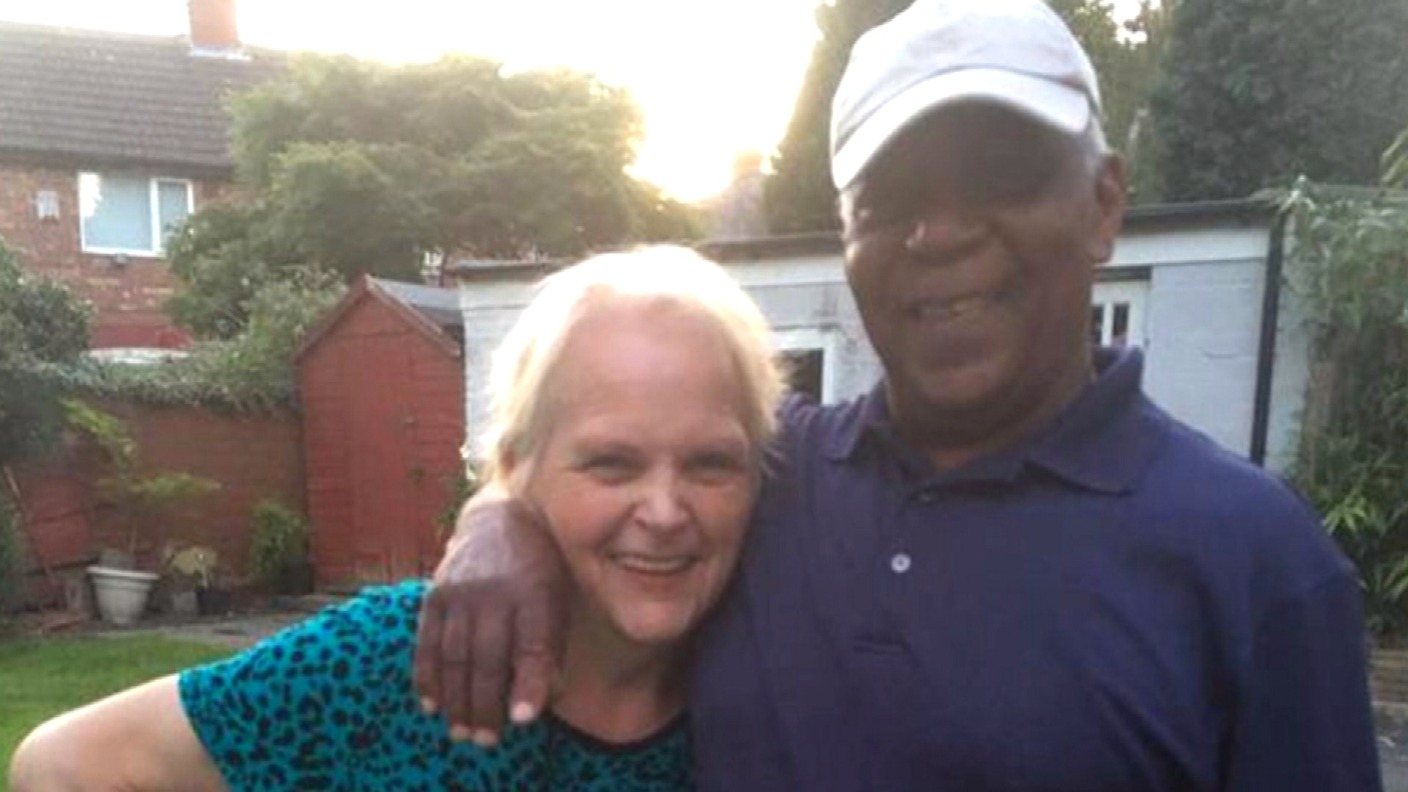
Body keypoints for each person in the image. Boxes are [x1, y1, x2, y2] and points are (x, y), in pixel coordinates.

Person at [412, 0, 1384, 790]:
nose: (939, 233)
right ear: (847, 238)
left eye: (1000, 178)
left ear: (1101, 205)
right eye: (891, 197)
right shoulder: (772, 478)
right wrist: (504, 514)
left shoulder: (1253, 562)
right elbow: (609, 461)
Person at [8, 246, 785, 792]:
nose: (664, 511)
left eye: (711, 464)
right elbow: (64, 767)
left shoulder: (788, 678)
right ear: (517, 468)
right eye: (611, 463)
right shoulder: (397, 657)